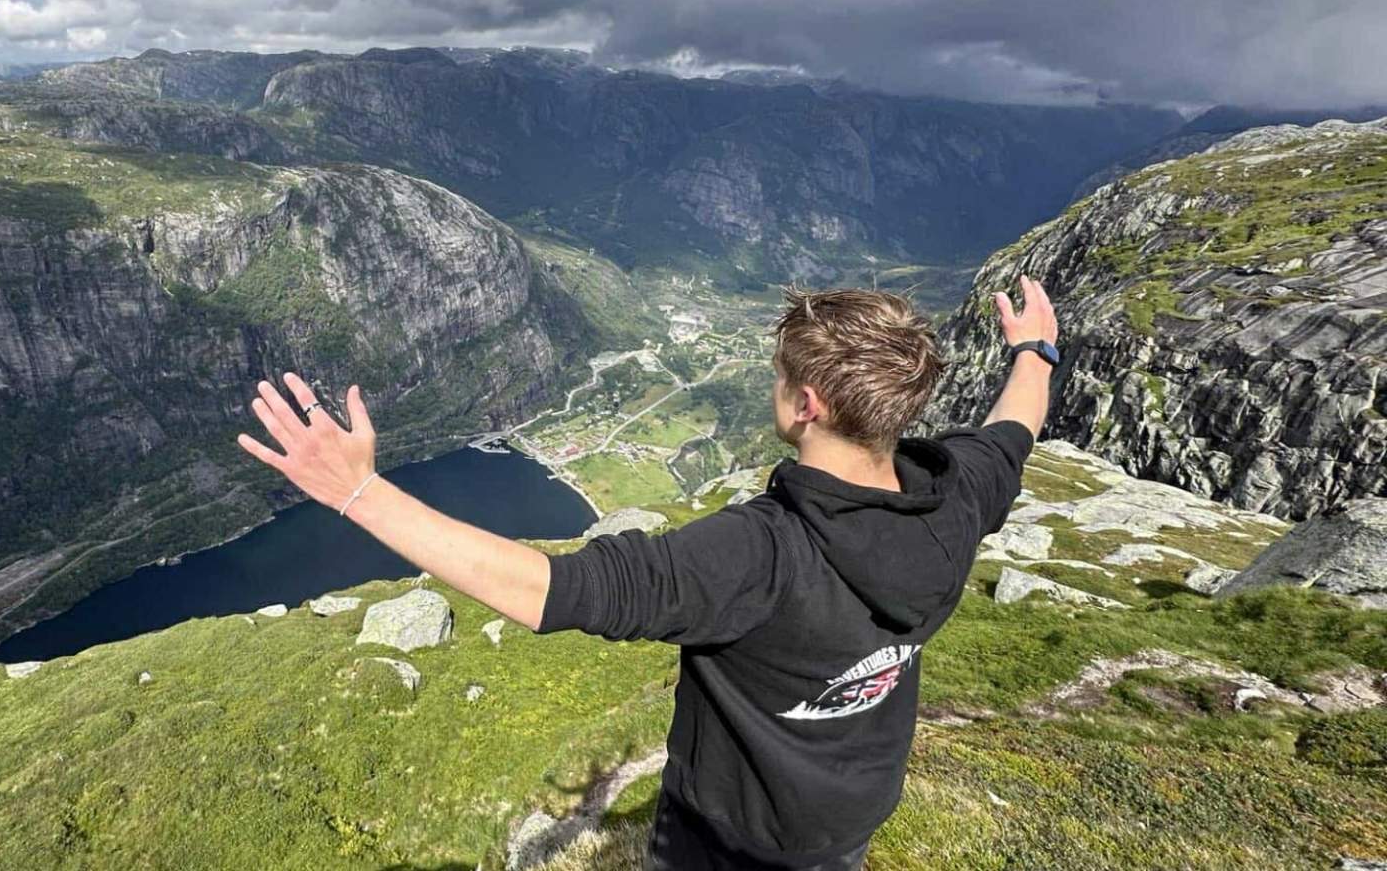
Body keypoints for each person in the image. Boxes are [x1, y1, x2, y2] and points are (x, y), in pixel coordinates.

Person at [237, 276, 1059, 870]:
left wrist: (357, 492)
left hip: (725, 837)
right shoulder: (953, 498)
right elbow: (1012, 429)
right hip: (850, 815)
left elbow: (550, 591)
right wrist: (1036, 349)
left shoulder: (757, 554)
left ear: (806, 404)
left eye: (780, 376)